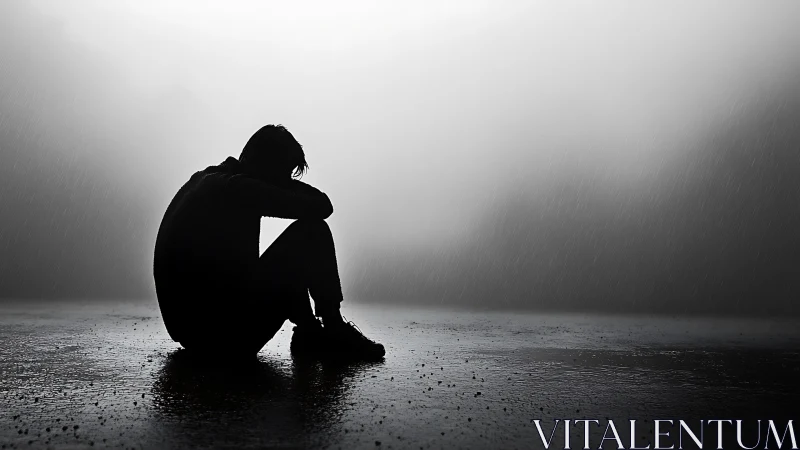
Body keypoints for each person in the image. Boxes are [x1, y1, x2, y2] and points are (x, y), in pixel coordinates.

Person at [153, 124, 385, 360]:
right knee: (313, 232)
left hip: (196, 334)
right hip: (220, 340)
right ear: (266, 166)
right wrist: (283, 185)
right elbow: (322, 206)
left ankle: (310, 331)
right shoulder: (236, 188)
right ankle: (333, 327)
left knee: (289, 256)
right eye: (284, 172)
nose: (285, 181)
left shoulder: (207, 181)